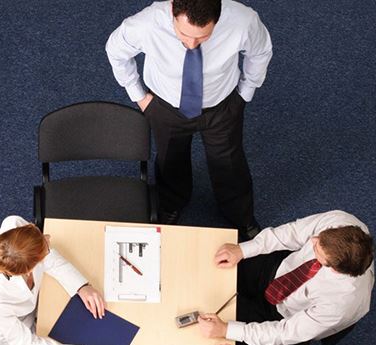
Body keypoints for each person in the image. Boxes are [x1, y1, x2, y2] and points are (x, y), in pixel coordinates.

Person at [106, 0, 272, 239]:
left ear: (218, 18)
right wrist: (139, 97)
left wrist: (245, 93)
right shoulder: (146, 24)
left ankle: (240, 216)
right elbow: (115, 51)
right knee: (170, 159)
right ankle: (172, 205)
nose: (191, 43)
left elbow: (261, 52)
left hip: (222, 106)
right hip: (165, 106)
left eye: (203, 37)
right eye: (183, 34)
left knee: (230, 162)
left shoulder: (243, 21)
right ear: (173, 11)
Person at [197, 210, 375, 345]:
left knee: (214, 334)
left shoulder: (340, 304)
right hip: (280, 270)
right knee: (211, 267)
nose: (312, 240)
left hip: (285, 317)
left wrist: (227, 330)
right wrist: (243, 250)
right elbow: (291, 233)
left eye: (316, 250)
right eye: (319, 238)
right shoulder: (340, 221)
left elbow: (285, 332)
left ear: (334, 269)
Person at [0, 216, 106, 345]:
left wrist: (82, 286)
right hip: (6, 337)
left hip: (27, 313)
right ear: (28, 271)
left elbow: (47, 258)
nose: (48, 237)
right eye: (45, 246)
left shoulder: (14, 225)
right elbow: (26, 343)